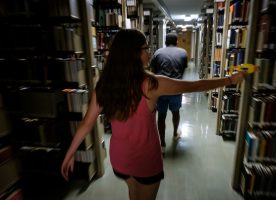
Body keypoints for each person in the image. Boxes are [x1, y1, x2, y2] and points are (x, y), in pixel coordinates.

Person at [61, 29, 245, 200]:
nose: (149, 53)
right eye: (145, 48)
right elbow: (195, 85)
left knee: (133, 194)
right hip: (145, 160)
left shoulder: (104, 86)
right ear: (134, 53)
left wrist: (69, 154)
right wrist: (230, 79)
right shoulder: (151, 84)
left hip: (120, 159)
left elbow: (86, 124)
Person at [150, 32, 188, 154]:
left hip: (161, 90)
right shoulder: (183, 52)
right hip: (176, 88)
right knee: (175, 112)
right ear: (176, 42)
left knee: (161, 116)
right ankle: (175, 133)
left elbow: (153, 72)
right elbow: (183, 69)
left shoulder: (157, 53)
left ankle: (162, 144)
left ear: (165, 42)